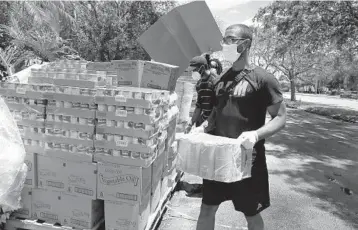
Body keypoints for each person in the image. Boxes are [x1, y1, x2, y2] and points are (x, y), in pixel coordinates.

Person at [194, 24, 287, 230]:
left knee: (251, 214)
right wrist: (202, 128)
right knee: (207, 208)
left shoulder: (263, 79)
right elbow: (216, 114)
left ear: (245, 44)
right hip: (218, 158)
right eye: (224, 40)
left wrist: (255, 135)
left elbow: (280, 118)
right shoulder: (221, 80)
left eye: (230, 39)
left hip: (247, 161)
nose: (224, 44)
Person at [185, 55, 218, 134]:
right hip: (201, 124)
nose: (193, 73)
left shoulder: (215, 81)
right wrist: (190, 124)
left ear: (202, 68)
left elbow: (217, 107)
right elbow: (199, 106)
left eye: (194, 70)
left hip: (213, 126)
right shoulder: (199, 84)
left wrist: (207, 124)